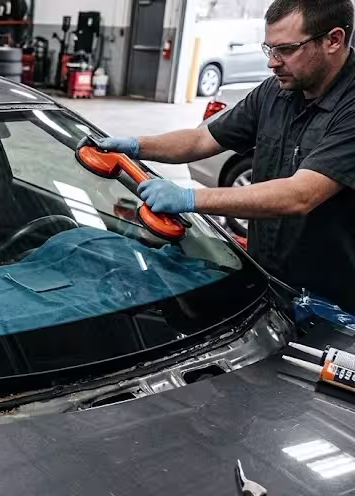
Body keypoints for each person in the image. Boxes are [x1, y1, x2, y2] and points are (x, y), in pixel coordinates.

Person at [97, 0, 355, 311]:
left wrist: (190, 199)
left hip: (332, 304)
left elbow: (300, 195)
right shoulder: (275, 92)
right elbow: (201, 139)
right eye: (269, 49)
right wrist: (137, 145)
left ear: (333, 40)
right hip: (267, 282)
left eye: (285, 49)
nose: (273, 63)